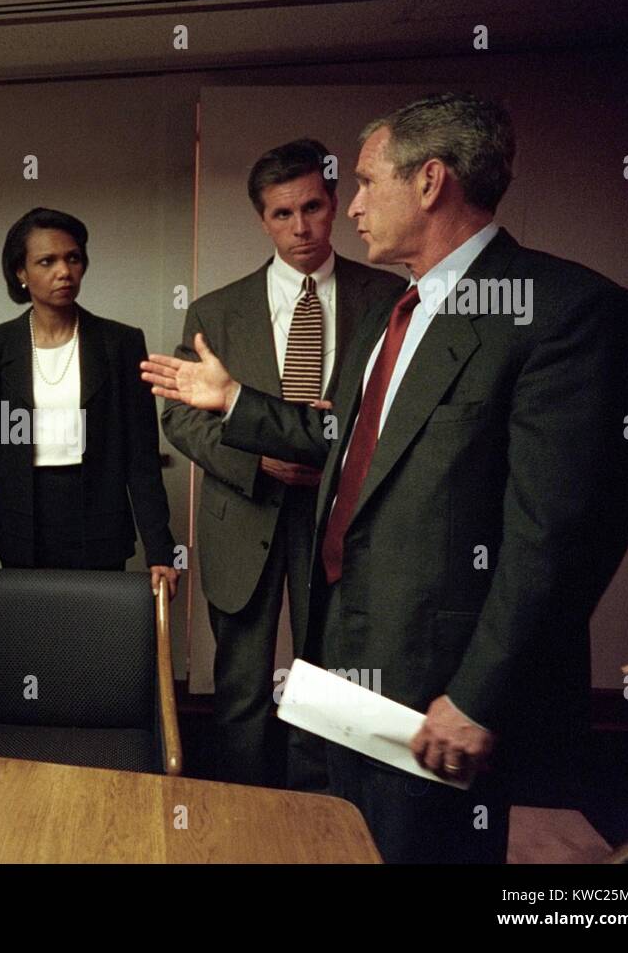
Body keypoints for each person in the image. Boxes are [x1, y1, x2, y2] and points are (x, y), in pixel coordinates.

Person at [142, 93, 628, 862]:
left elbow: (560, 539)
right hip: (351, 650)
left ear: (430, 181)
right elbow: (348, 436)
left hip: (445, 680)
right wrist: (235, 400)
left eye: (366, 183)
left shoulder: (566, 313)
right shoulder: (398, 313)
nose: (348, 211)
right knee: (357, 839)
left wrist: (480, 697)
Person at [163, 138, 405, 790]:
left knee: (325, 691)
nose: (301, 228)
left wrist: (331, 460)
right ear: (261, 219)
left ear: (334, 204)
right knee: (241, 691)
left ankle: (318, 823)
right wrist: (258, 463)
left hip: (342, 523)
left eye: (313, 207)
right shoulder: (215, 309)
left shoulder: (389, 299)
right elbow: (181, 416)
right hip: (244, 517)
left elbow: (404, 419)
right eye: (282, 214)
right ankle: (243, 820)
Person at [0, 207, 179, 598]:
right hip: (22, 520)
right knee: (30, 642)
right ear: (21, 273)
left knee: (97, 641)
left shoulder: (121, 343)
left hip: (99, 516)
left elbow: (141, 458)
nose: (64, 271)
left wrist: (160, 551)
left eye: (73, 258)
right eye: (46, 261)